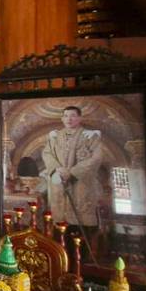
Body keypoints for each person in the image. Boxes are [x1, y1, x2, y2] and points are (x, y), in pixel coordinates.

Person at [41, 106, 105, 257]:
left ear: (79, 118)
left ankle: (81, 261)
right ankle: (61, 260)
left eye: (73, 116)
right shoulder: (55, 137)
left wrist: (72, 172)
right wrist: (56, 170)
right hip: (59, 186)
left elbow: (96, 158)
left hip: (81, 186)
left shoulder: (90, 136)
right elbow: (47, 153)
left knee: (80, 231)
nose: (69, 119)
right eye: (66, 116)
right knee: (59, 229)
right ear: (62, 118)